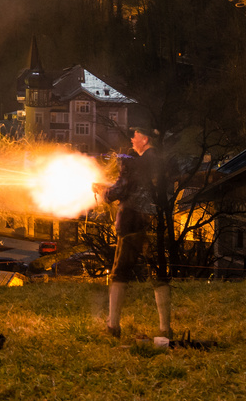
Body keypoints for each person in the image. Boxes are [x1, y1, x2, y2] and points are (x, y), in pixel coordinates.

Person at [103, 126, 171, 340]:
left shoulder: (132, 163)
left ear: (145, 138)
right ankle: (165, 328)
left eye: (135, 135)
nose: (132, 139)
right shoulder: (162, 162)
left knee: (120, 270)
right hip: (155, 222)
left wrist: (105, 193)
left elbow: (121, 189)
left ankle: (113, 325)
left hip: (131, 221)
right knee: (159, 272)